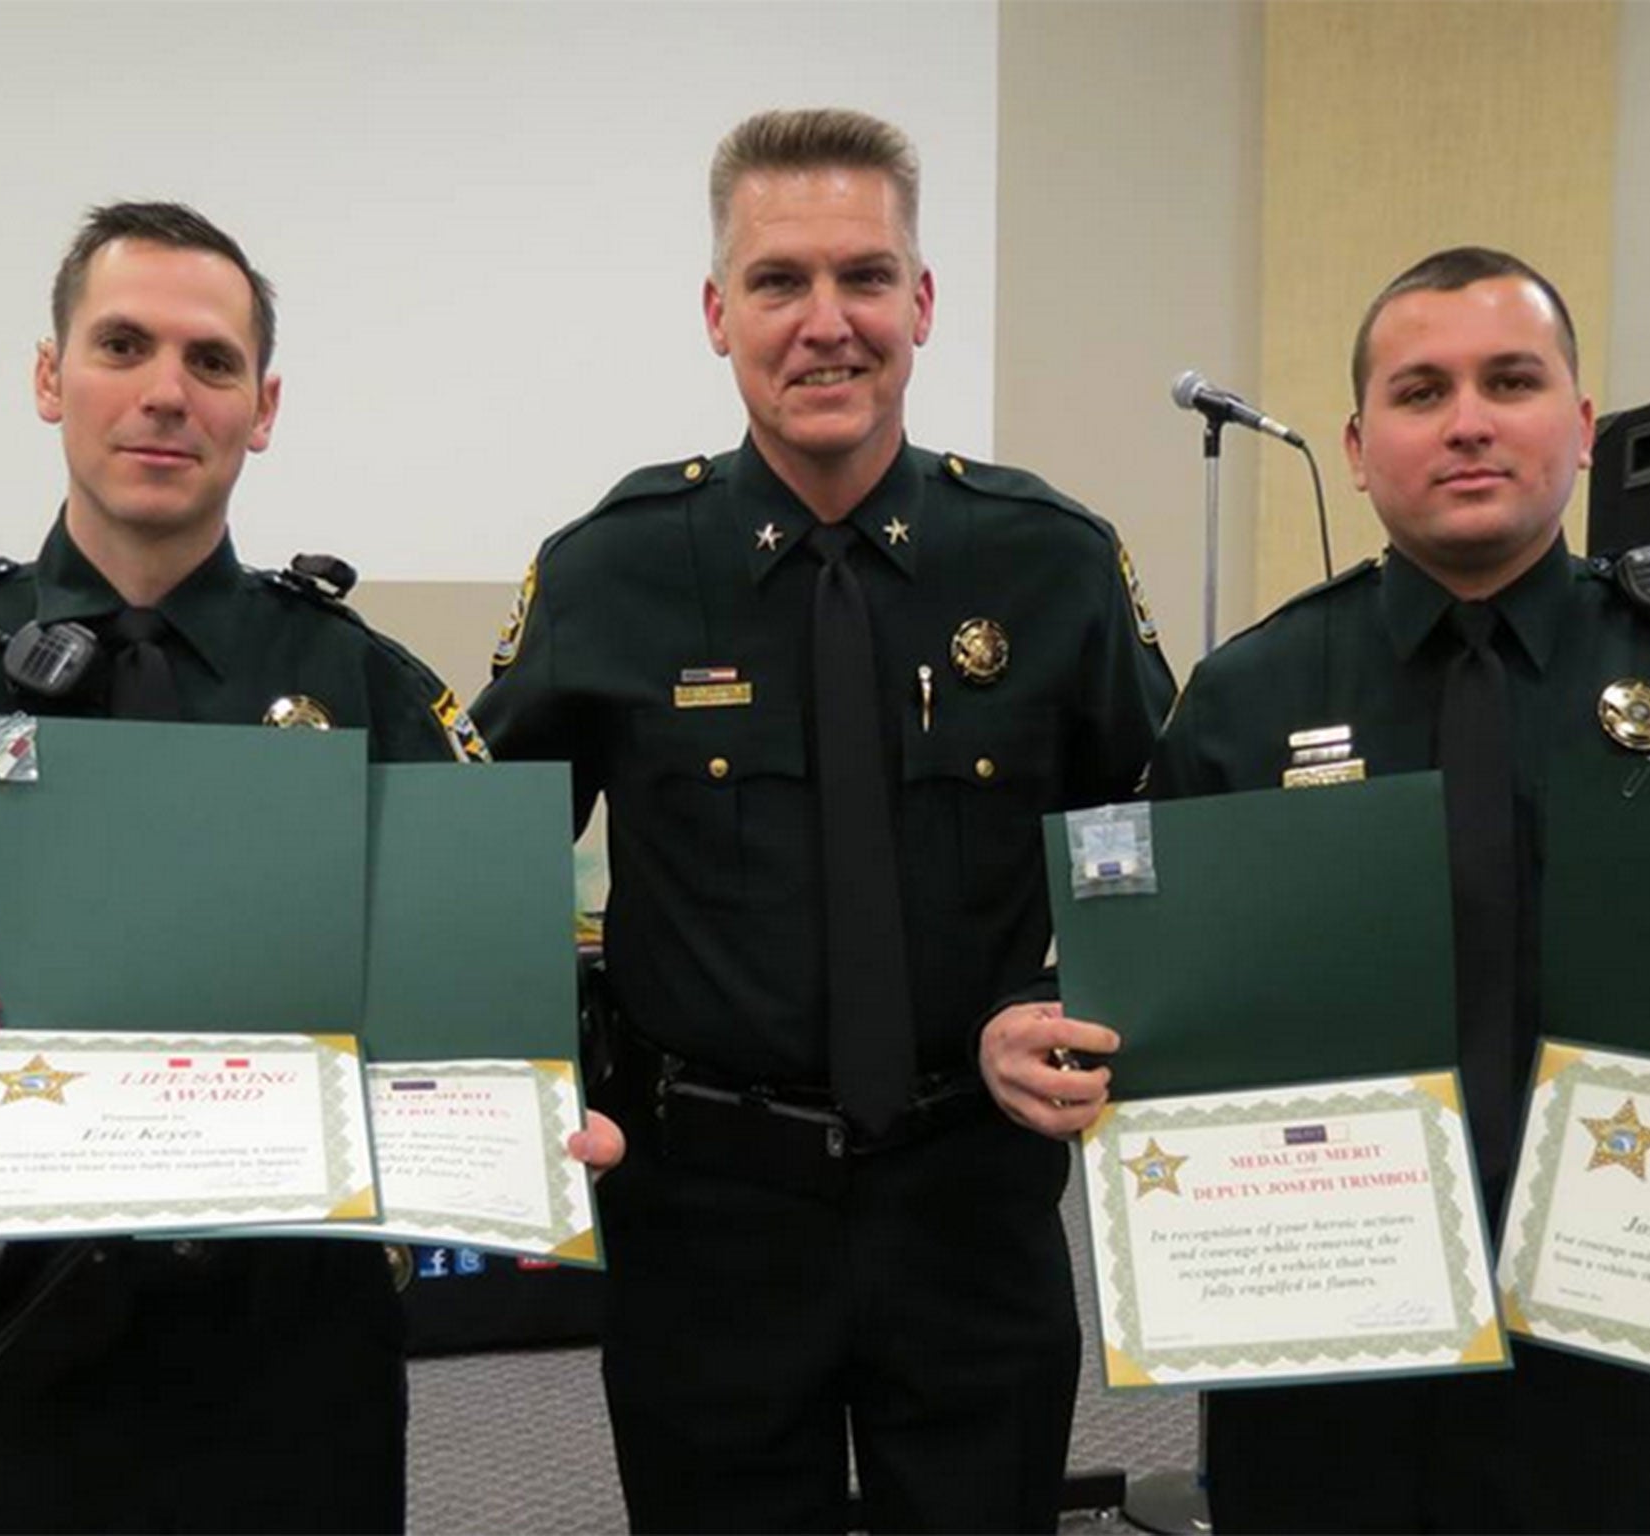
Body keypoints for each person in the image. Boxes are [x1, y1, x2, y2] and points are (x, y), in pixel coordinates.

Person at [0, 201, 619, 1534]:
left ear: (263, 406)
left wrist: (532, 1120)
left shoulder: (366, 689)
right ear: (50, 377)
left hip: (287, 1391)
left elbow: (480, 1001)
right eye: (122, 346)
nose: (166, 394)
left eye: (212, 362)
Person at [467, 108, 1176, 1534]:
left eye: (864, 277)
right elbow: (472, 866)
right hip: (709, 1215)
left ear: (921, 302)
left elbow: (1155, 844)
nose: (825, 323)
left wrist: (1051, 992)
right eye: (780, 282)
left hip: (971, 1196)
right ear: (718, 313)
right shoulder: (612, 573)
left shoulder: (1050, 564)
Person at [1149, 246, 1650, 1534]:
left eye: (1510, 381)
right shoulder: (1252, 696)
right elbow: (1170, 1001)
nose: (1466, 420)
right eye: (1420, 391)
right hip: (1322, 1346)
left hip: (1619, 1331)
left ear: (1577, 425)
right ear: (1356, 446)